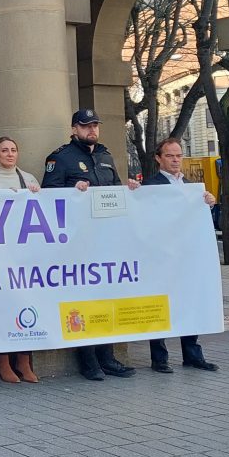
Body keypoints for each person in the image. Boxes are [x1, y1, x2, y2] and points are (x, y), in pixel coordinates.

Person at [41, 108, 140, 382]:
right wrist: (73, 193)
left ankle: (107, 357)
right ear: (74, 129)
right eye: (86, 126)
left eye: (95, 125)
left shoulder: (106, 156)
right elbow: (48, 197)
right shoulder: (60, 158)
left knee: (106, 298)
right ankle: (88, 361)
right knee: (83, 301)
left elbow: (116, 189)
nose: (91, 130)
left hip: (106, 241)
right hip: (77, 243)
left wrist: (129, 190)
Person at [143, 138, 220, 374]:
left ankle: (192, 354)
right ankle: (159, 358)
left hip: (186, 258)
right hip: (161, 257)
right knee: (160, 304)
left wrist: (209, 202)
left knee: (189, 301)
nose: (176, 160)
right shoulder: (150, 186)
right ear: (158, 158)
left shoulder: (190, 187)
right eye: (170, 156)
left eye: (178, 156)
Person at [0, 136, 41, 384]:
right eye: (4, 150)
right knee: (1, 304)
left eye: (14, 149)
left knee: (26, 302)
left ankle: (24, 360)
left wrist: (36, 194)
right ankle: (2, 361)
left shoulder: (30, 179)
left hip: (23, 253)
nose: (10, 154)